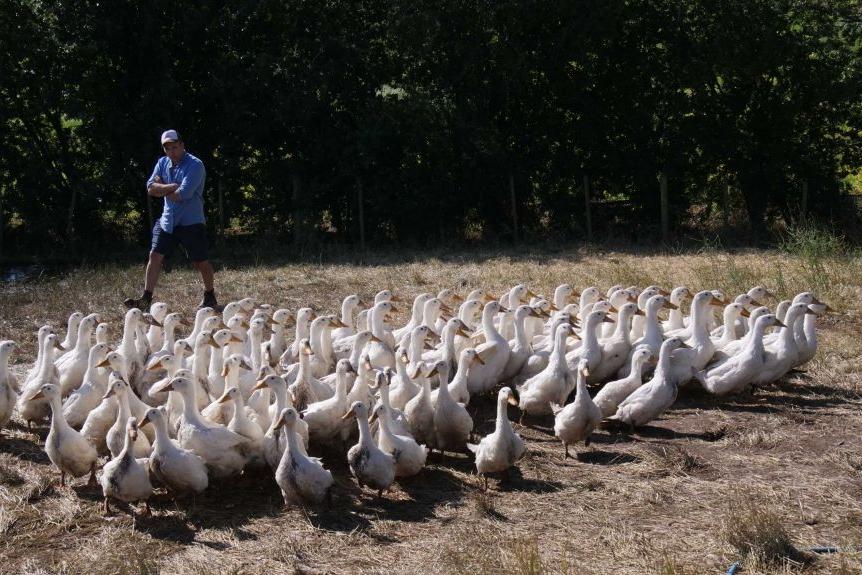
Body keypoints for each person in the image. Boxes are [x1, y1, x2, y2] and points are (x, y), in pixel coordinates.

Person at [124, 129, 220, 311]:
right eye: (168, 149)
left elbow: (182, 194)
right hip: (167, 221)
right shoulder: (162, 163)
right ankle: (146, 299)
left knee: (200, 262)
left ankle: (210, 295)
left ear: (182, 145)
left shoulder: (195, 165)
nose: (172, 152)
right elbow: (150, 188)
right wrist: (171, 186)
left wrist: (162, 188)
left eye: (175, 147)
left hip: (191, 222)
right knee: (154, 256)